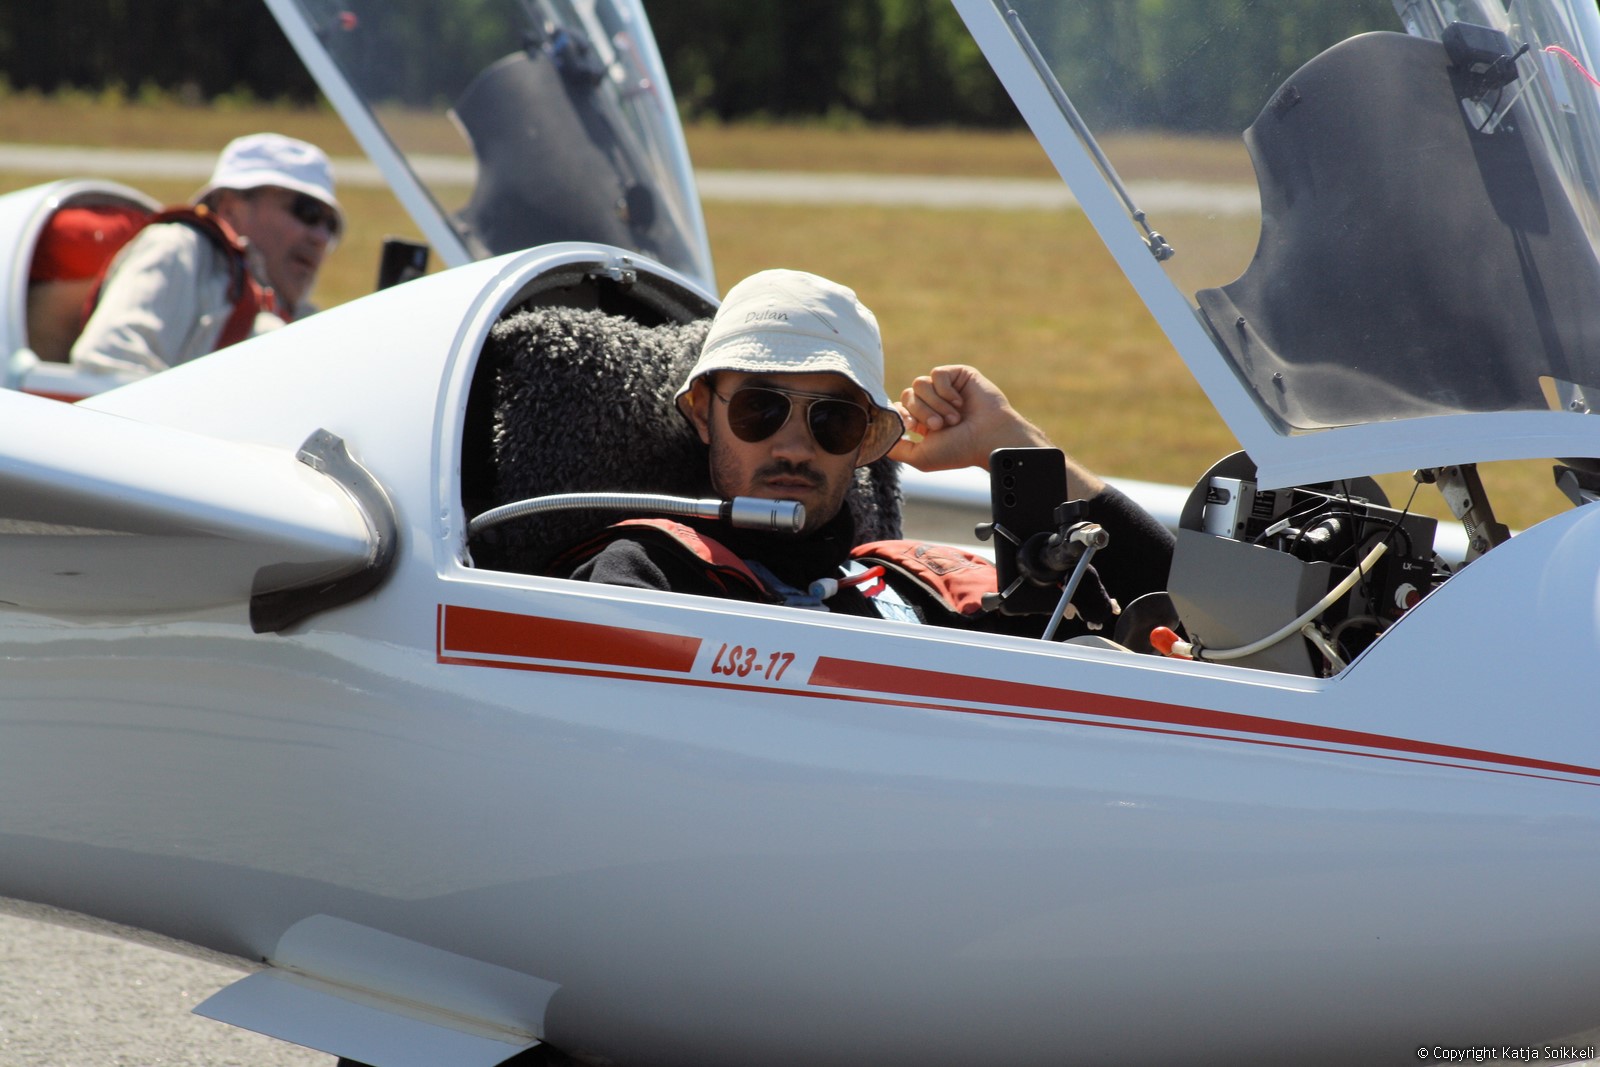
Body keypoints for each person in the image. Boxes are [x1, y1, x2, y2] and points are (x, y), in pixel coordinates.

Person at [564, 269, 1174, 638]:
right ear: (703, 413)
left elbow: (1188, 613)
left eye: (833, 419)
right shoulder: (647, 576)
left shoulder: (921, 590)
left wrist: (1009, 442)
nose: (794, 446)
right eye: (760, 409)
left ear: (866, 440)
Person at [70, 132, 343, 376]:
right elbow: (109, 361)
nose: (321, 238)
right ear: (230, 208)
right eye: (307, 212)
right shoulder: (179, 249)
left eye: (330, 225)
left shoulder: (306, 322)